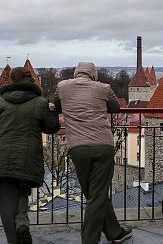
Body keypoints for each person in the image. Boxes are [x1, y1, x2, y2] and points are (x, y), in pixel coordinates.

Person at [54, 62, 132, 244]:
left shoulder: (63, 86)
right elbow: (115, 106)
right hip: (102, 145)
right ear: (93, 74)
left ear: (76, 73)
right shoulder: (103, 88)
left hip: (78, 148)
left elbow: (57, 105)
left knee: (93, 193)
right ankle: (90, 240)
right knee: (97, 194)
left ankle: (115, 232)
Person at [0, 67, 61, 244]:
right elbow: (51, 128)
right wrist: (51, 109)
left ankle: (14, 240)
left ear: (11, 82)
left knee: (5, 201)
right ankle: (21, 222)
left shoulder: (1, 102)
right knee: (22, 192)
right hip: (29, 157)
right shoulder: (40, 103)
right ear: (30, 82)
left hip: (3, 156)